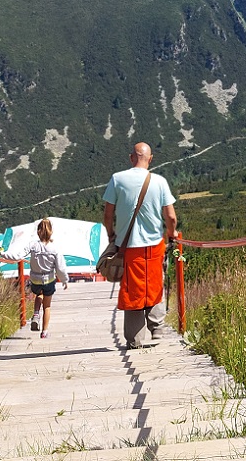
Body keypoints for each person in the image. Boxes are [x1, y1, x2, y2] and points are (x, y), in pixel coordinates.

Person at [103, 142, 177, 348]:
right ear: (150, 159)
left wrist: (111, 235)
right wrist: (171, 235)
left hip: (128, 247)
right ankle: (157, 329)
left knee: (132, 290)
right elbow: (170, 216)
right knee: (155, 284)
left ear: (131, 158)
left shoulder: (117, 179)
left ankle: (135, 339)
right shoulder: (159, 181)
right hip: (154, 245)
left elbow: (107, 214)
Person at [28, 218, 68, 339]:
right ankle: (44, 332)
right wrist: (65, 280)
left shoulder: (33, 246)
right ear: (51, 232)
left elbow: (17, 254)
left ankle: (35, 314)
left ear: (38, 232)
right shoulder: (54, 249)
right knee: (47, 306)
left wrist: (0, 254)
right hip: (49, 280)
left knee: (38, 294)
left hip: (35, 279)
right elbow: (60, 268)